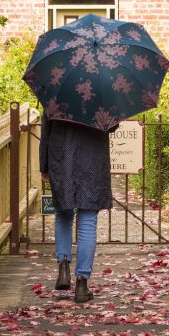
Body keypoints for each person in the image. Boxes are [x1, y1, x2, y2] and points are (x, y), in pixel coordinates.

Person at [39, 115, 112, 303]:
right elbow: (111, 126)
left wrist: (44, 165)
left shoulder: (56, 88)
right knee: (88, 219)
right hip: (93, 157)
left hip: (62, 157)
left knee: (63, 213)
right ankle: (82, 283)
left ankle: (63, 267)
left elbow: (46, 128)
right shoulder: (102, 90)